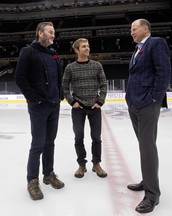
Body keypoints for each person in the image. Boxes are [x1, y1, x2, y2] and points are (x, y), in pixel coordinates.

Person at [15, 21, 65, 201]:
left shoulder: (53, 54)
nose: (53, 35)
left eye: (54, 32)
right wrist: (34, 99)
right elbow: (20, 78)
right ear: (40, 33)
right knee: (38, 143)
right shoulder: (28, 51)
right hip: (39, 106)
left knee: (50, 142)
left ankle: (48, 174)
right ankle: (32, 180)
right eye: (50, 32)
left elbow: (58, 78)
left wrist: (60, 96)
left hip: (54, 105)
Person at [125, 19, 171, 213]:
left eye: (134, 29)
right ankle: (147, 180)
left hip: (147, 104)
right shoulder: (137, 49)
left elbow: (164, 72)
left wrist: (154, 99)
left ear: (146, 29)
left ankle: (152, 195)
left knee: (147, 147)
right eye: (131, 30)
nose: (131, 32)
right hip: (134, 103)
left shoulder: (156, 43)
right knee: (144, 146)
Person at [62, 38, 108, 179]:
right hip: (78, 108)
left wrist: (100, 101)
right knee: (79, 137)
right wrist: (72, 102)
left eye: (88, 46)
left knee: (96, 137)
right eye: (83, 47)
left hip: (94, 107)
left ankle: (96, 164)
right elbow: (64, 86)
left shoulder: (97, 65)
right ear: (77, 50)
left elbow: (103, 84)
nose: (87, 48)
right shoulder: (70, 68)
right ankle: (82, 165)